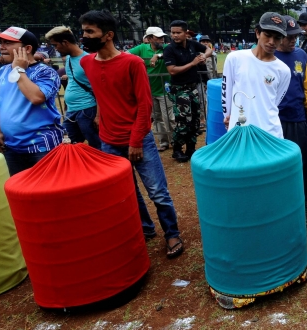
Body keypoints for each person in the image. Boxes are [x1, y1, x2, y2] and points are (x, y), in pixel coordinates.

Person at [79, 10, 184, 258]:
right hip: (108, 141)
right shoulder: (86, 63)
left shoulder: (132, 63)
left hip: (138, 139)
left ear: (108, 35)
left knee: (157, 191)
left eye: (90, 31)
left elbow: (145, 105)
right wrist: (98, 116)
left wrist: (135, 141)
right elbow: (102, 95)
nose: (84, 36)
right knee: (127, 192)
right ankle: (146, 229)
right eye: (83, 31)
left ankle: (172, 234)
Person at [0, 27, 62, 176]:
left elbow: (36, 98)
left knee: (48, 191)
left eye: (7, 42)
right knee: (21, 192)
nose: (1, 47)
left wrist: (19, 70)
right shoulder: (3, 71)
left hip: (42, 147)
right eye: (0, 42)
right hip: (11, 147)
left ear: (27, 48)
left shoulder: (45, 72)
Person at [222, 12, 291, 138]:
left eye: (277, 38)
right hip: (240, 130)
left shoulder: (283, 70)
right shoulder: (235, 58)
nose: (272, 42)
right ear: (258, 33)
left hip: (270, 133)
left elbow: (274, 103)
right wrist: (228, 116)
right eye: (268, 35)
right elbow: (226, 92)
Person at [274, 15, 307, 205]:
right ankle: (282, 194)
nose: (293, 40)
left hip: (298, 116)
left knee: (302, 156)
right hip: (275, 118)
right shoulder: (270, 55)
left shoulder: (301, 55)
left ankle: (304, 194)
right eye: (289, 37)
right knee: (278, 159)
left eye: (296, 36)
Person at [163, 20, 212, 162]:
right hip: (179, 90)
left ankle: (191, 148)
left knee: (195, 120)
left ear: (185, 33)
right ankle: (177, 149)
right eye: (173, 33)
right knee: (183, 121)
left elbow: (208, 49)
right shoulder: (169, 49)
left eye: (178, 32)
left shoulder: (191, 44)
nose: (175, 35)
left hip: (193, 88)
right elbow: (172, 71)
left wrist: (204, 56)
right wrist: (193, 63)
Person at [45, 26, 101, 149]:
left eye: (55, 45)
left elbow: (99, 89)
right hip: (72, 110)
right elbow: (73, 82)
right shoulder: (69, 58)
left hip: (87, 109)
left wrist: (98, 115)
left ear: (65, 43)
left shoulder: (88, 60)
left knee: (96, 145)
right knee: (67, 144)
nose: (56, 49)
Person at [128, 26, 176, 152]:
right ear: (149, 39)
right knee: (156, 118)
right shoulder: (142, 48)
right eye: (158, 38)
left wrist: (158, 55)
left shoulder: (166, 48)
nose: (161, 40)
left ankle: (175, 140)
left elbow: (174, 50)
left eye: (162, 38)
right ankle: (163, 142)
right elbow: (125, 55)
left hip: (165, 90)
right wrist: (138, 60)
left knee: (169, 117)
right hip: (149, 91)